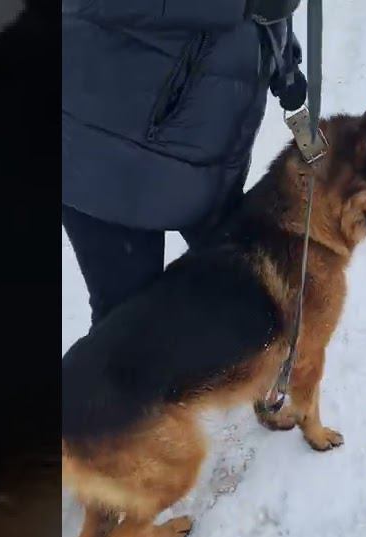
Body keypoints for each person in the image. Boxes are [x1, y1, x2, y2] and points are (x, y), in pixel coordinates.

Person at [61, 0, 304, 325]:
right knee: (130, 329)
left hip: (204, 164)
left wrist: (283, 58)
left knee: (238, 307)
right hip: (111, 156)